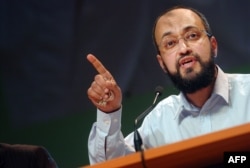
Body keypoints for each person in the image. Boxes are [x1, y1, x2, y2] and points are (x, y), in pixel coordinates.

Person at [86, 5, 250, 164]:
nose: (183, 49)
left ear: (213, 45)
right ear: (162, 63)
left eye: (192, 36)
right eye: (170, 43)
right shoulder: (159, 122)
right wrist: (109, 112)